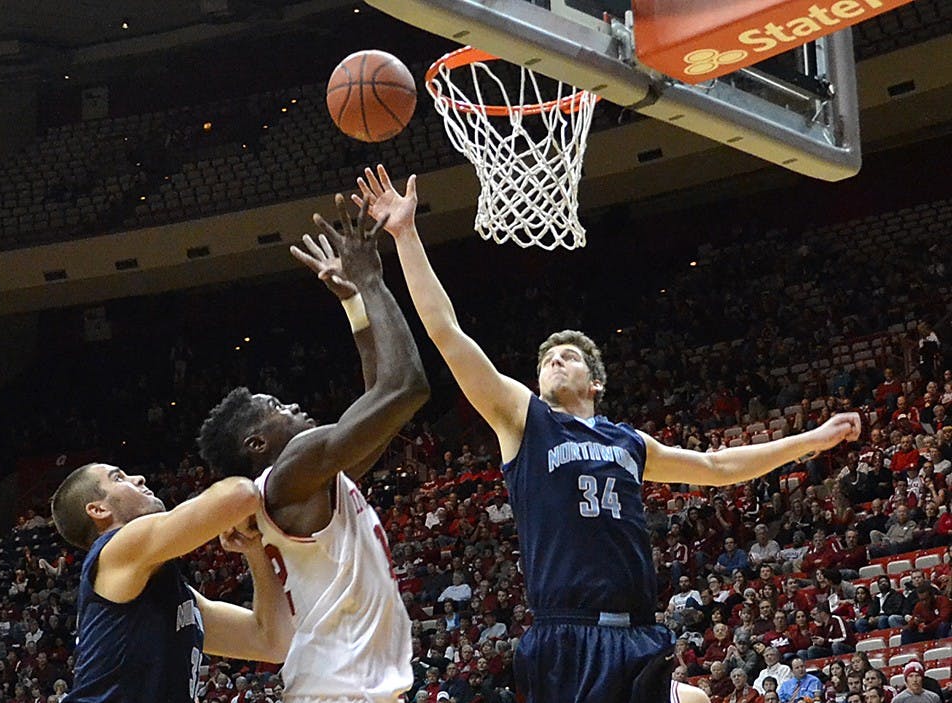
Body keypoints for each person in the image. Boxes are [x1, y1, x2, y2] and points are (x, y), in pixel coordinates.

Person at [354, 164, 861, 703]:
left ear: (594, 382)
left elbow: (716, 468)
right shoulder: (524, 420)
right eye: (546, 359)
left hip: (638, 631)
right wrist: (406, 236)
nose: (553, 362)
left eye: (567, 357)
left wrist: (810, 440)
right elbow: (446, 333)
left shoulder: (628, 443)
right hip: (568, 631)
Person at [196, 194, 430, 702]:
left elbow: (379, 404)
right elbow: (406, 388)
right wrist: (371, 280)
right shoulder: (290, 474)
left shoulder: (311, 483)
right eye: (277, 405)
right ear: (257, 443)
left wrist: (354, 305)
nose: (295, 405)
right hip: (339, 692)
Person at [50, 463, 293, 702]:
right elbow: (240, 495)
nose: (139, 477)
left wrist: (253, 550)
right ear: (98, 510)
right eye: (118, 478)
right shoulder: (116, 549)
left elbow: (271, 642)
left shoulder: (168, 597)